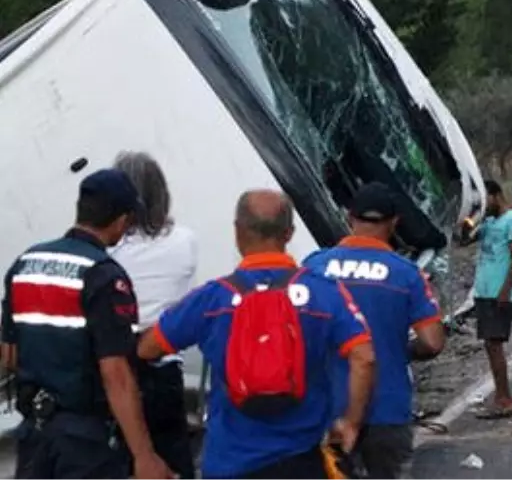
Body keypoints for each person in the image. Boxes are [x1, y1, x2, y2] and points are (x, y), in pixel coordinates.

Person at [138, 190, 375, 479]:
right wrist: (350, 422)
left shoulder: (213, 299)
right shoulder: (324, 293)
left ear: (238, 231)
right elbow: (364, 357)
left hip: (230, 463)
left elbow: (149, 349)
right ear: (288, 234)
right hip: (301, 460)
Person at [3, 169, 174, 480]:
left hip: (34, 435)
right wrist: (144, 456)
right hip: (84, 444)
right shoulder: (104, 275)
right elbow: (116, 374)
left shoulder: (25, 263)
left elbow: (9, 354)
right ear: (122, 221)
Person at [305, 183, 445, 476]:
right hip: (387, 407)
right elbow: (432, 342)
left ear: (349, 218)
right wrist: (402, 351)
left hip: (326, 409)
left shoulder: (314, 267)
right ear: (394, 223)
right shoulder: (406, 273)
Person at [109, 152, 199, 480]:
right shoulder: (184, 241)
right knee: (174, 460)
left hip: (114, 367)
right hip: (163, 366)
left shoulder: (106, 250)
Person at [465, 181, 512, 418]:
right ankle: (501, 396)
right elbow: (464, 239)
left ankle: (504, 399)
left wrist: (505, 290)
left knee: (495, 346)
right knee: (490, 346)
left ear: (496, 195)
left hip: (498, 293)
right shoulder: (488, 222)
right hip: (483, 291)